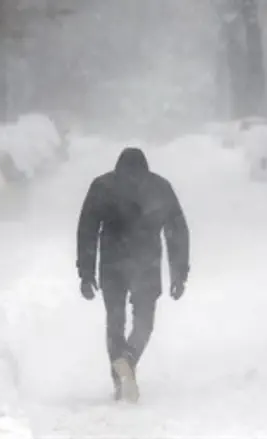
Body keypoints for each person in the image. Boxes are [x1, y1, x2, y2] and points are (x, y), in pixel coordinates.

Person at [76, 147, 190, 403]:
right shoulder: (159, 187)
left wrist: (86, 272)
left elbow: (87, 230)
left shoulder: (103, 186)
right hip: (146, 263)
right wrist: (179, 273)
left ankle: (119, 371)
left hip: (112, 264)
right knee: (144, 323)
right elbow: (176, 230)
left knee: (115, 322)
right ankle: (129, 358)